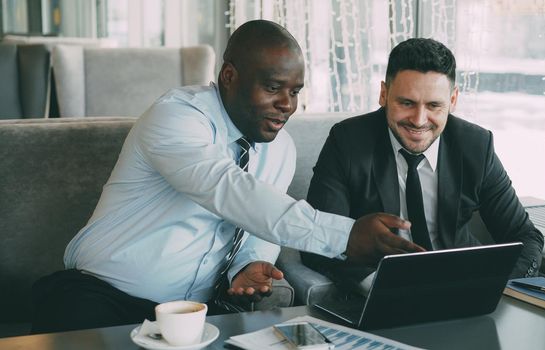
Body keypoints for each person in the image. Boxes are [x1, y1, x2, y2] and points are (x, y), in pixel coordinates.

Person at [31, 20, 420, 334]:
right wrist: (344, 236)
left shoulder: (279, 147)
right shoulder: (177, 117)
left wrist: (246, 265)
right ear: (230, 76)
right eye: (273, 88)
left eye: (295, 91)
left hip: (197, 314)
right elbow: (229, 190)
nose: (287, 104)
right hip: (100, 296)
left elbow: (258, 225)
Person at [301, 38, 544, 292]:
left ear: (453, 100)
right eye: (406, 103)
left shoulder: (476, 146)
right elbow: (318, 239)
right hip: (382, 291)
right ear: (383, 94)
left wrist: (495, 289)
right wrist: (375, 285)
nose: (419, 120)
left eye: (434, 105)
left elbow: (525, 237)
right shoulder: (348, 142)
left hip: (462, 290)